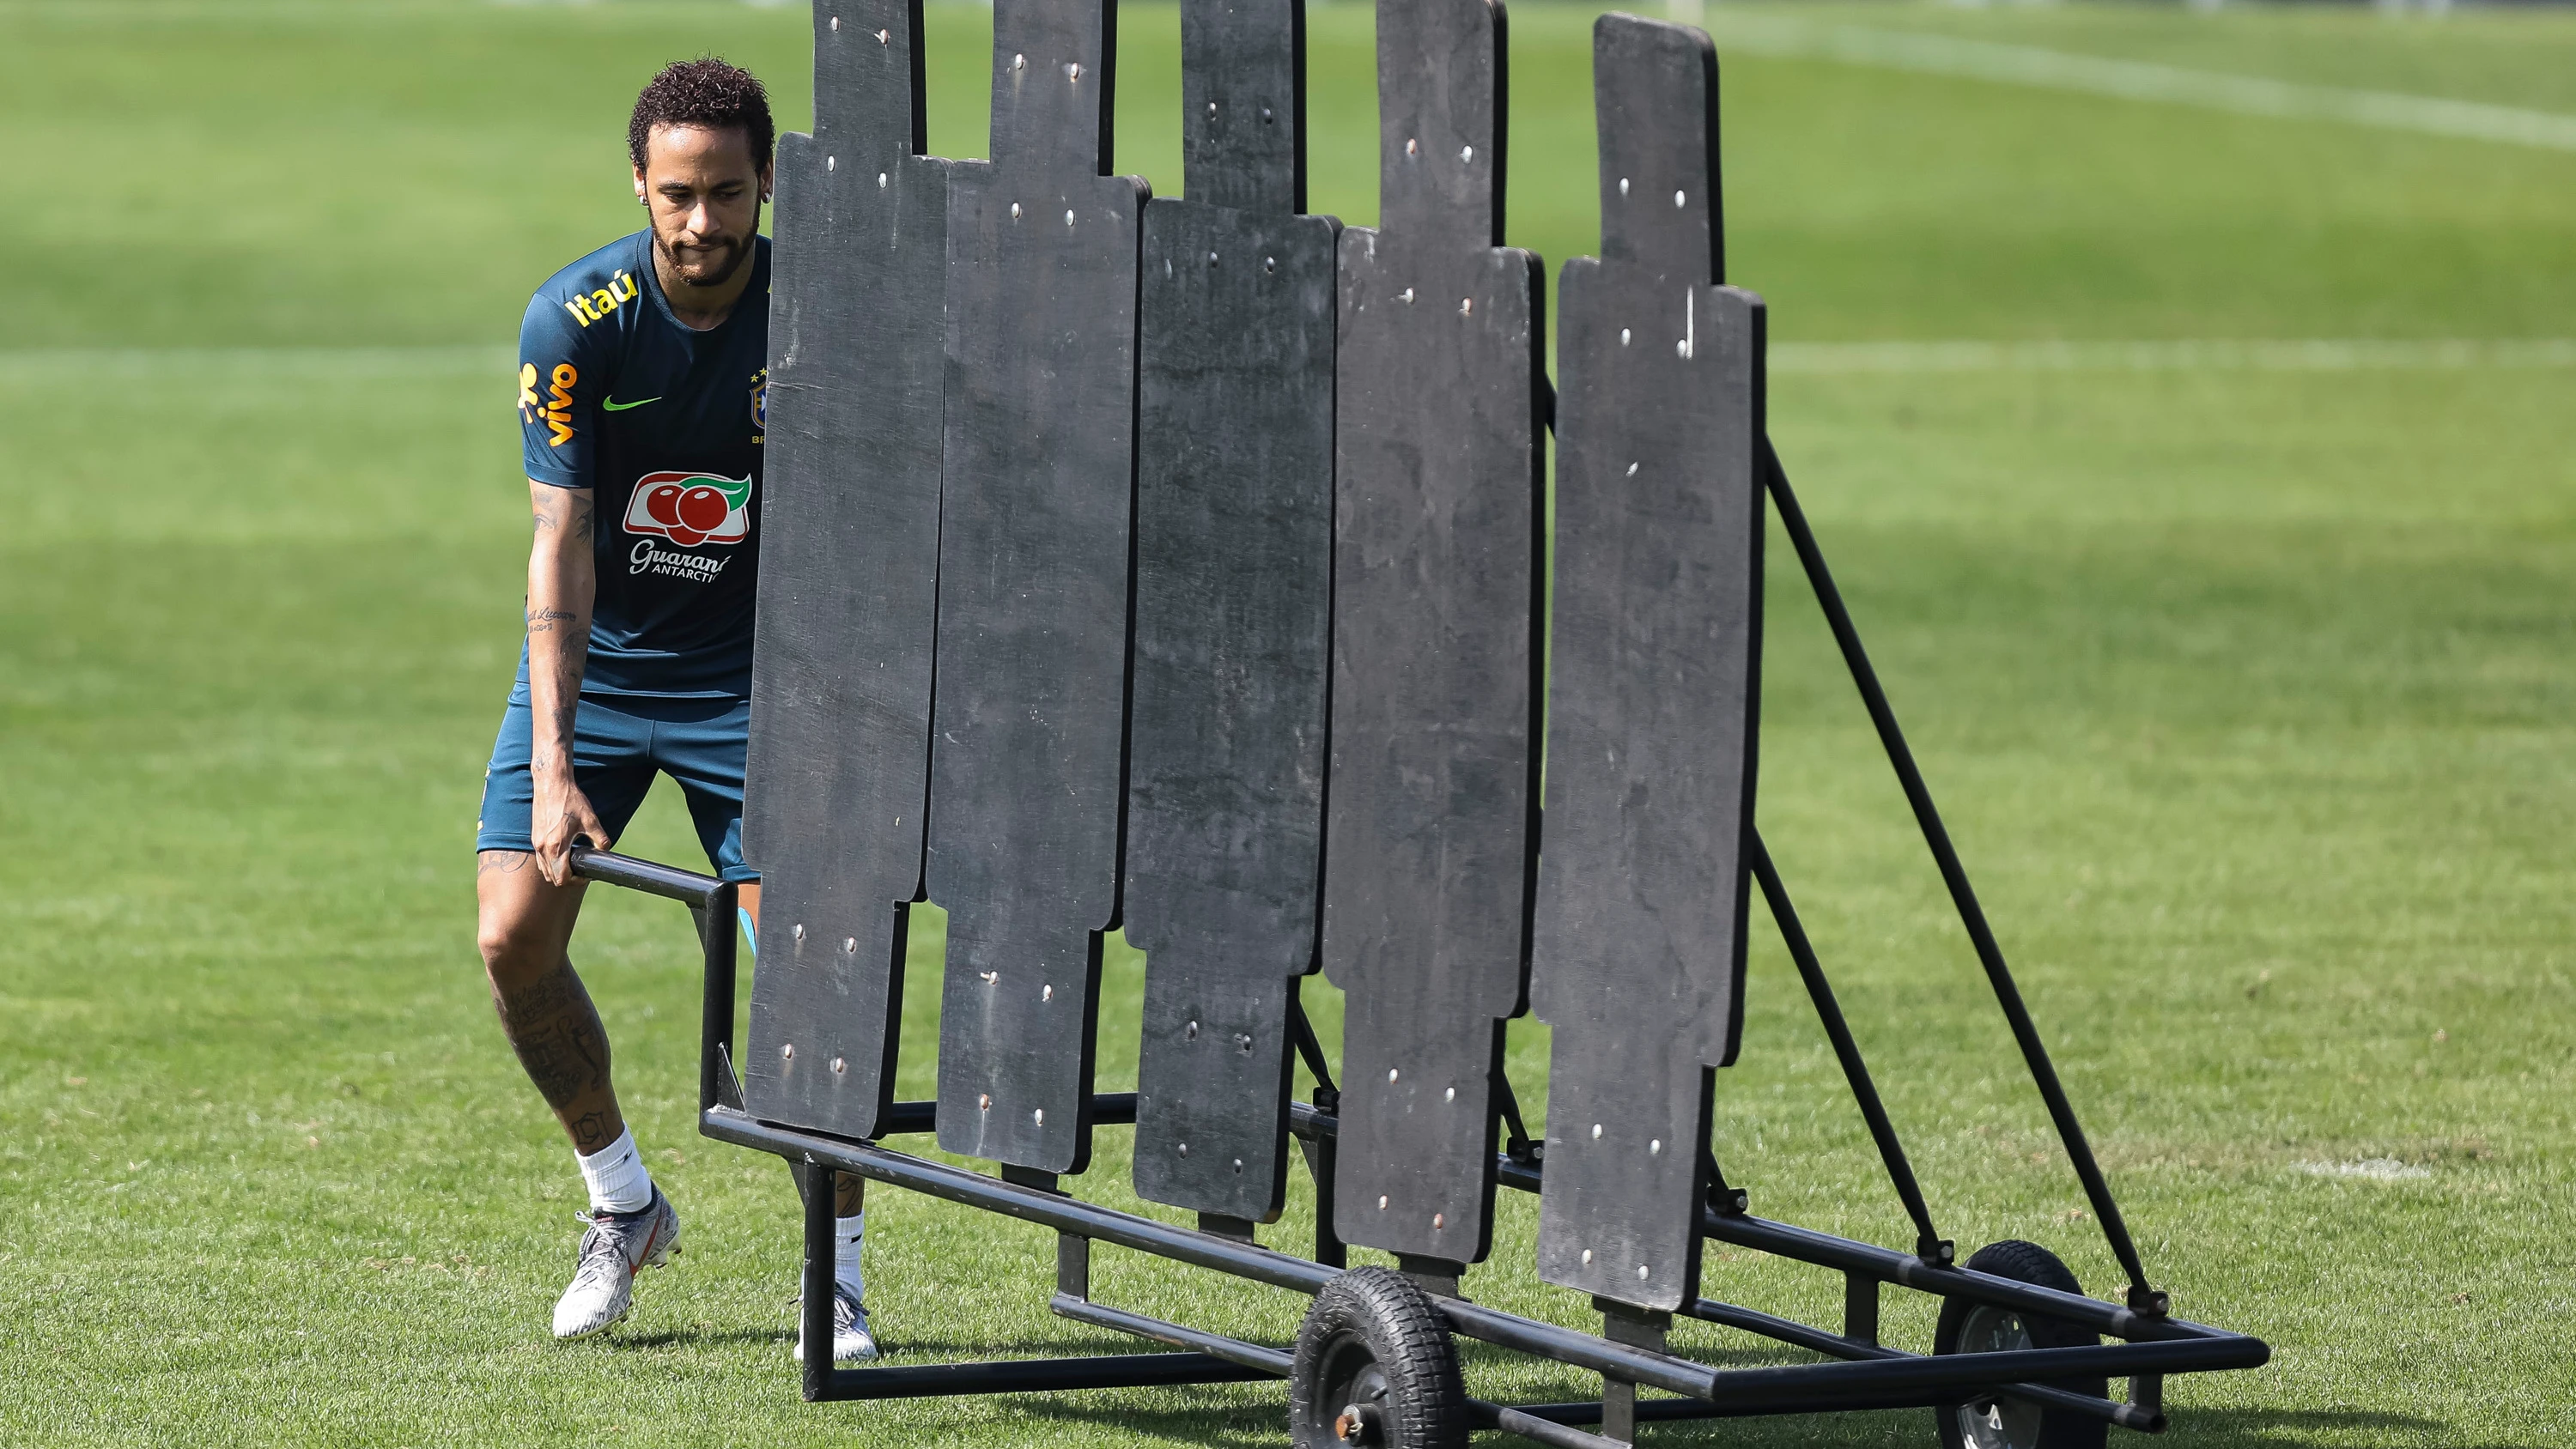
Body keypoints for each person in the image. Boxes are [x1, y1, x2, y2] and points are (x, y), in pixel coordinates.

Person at [473, 57, 873, 1362]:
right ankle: (623, 1205)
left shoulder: (824, 310)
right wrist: (550, 759)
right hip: (608, 672)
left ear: (769, 186)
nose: (703, 224)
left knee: (807, 988)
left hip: (762, 684)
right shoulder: (574, 323)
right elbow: (559, 543)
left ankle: (843, 1278)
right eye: (678, 196)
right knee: (511, 939)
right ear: (640, 187)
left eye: (730, 194)